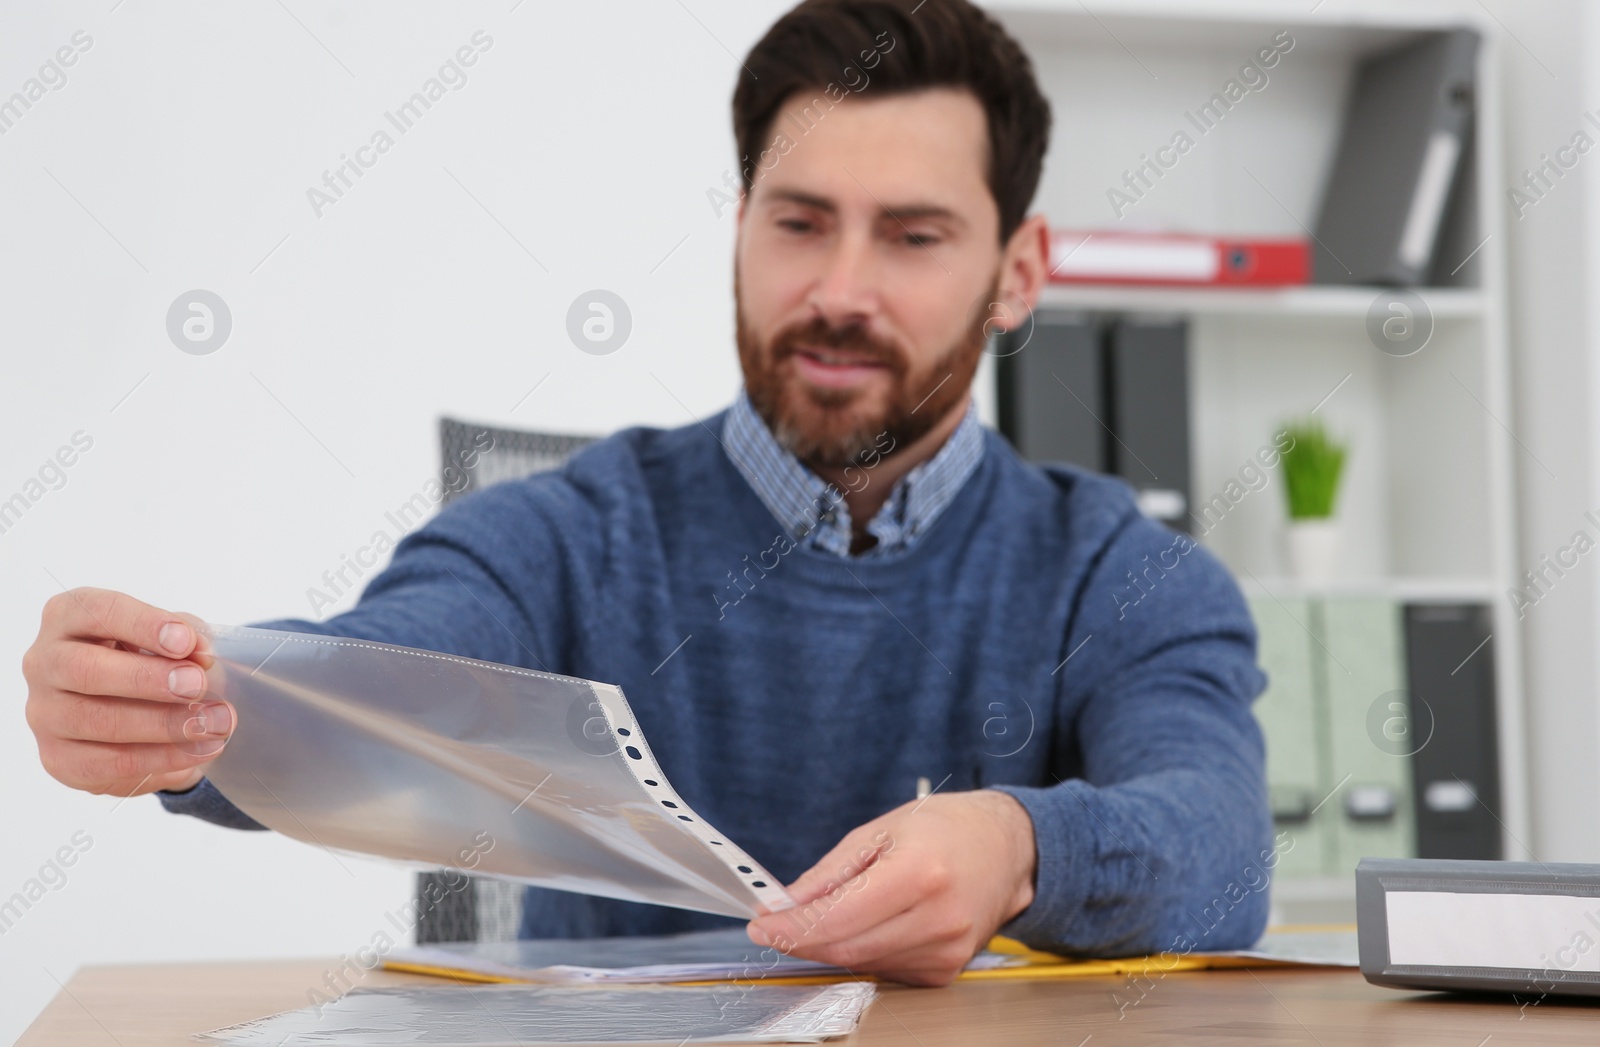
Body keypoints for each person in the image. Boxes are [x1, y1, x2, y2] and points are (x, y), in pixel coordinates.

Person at [21, 0, 1273, 986]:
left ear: (1017, 272)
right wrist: (187, 713)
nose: (840, 288)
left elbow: (1223, 843)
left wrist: (1019, 850)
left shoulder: (1121, 570)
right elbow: (373, 685)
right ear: (739, 228)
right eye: (798, 221)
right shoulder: (566, 534)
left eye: (912, 235)